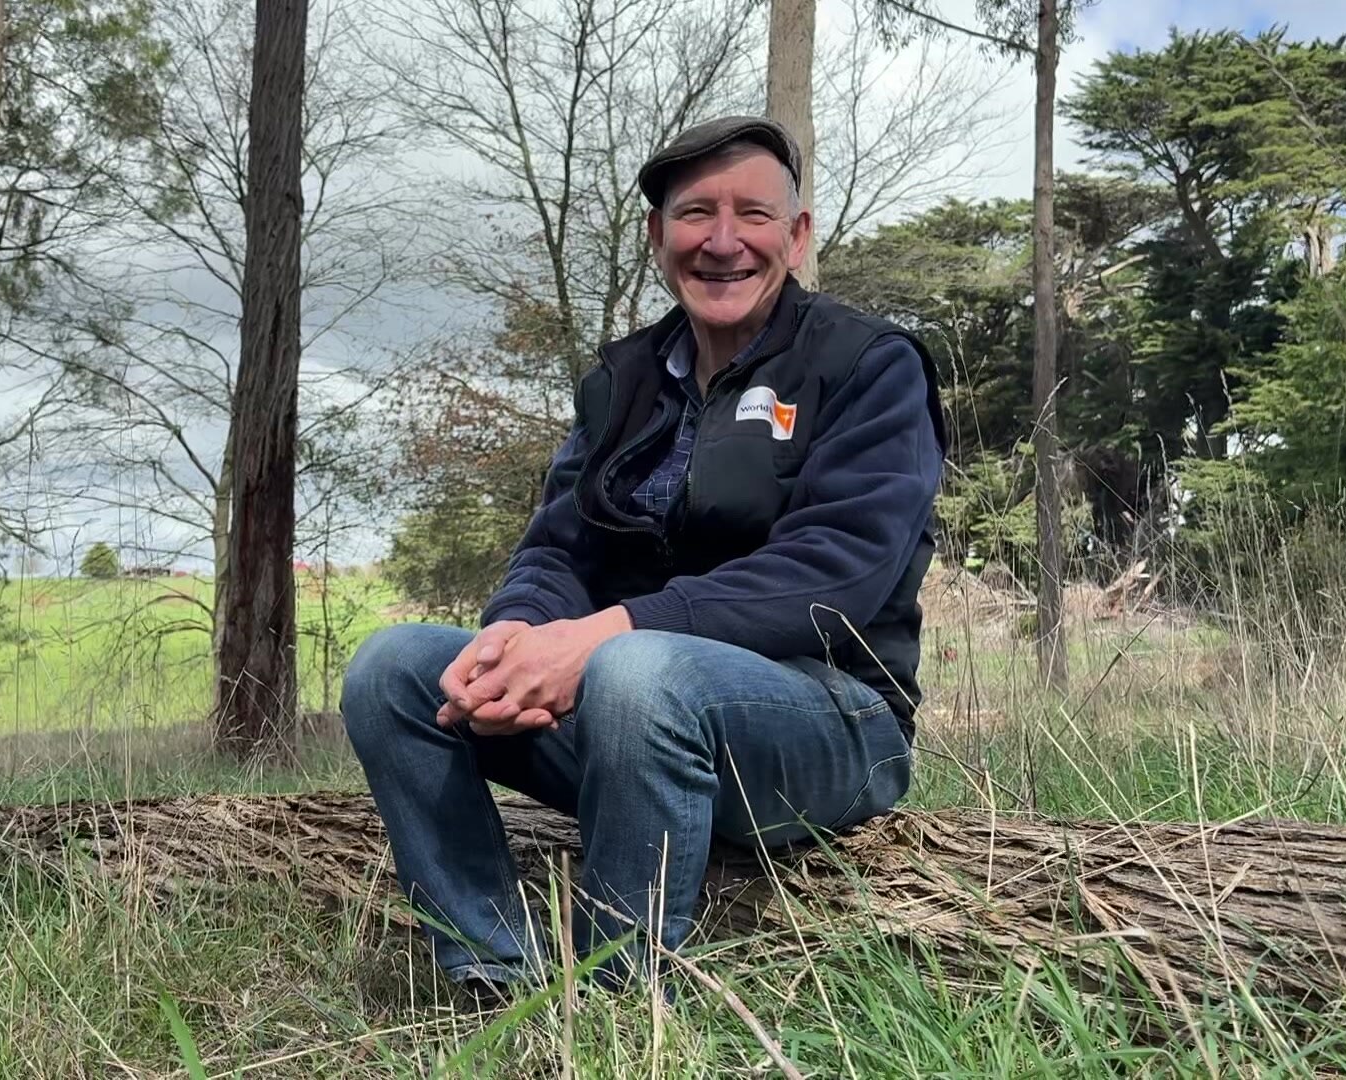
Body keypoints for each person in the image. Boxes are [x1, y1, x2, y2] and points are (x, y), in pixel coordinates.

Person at [342, 115, 946, 1000]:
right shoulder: (622, 382)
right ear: (659, 236)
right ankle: (493, 972)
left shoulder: (867, 366)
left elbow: (838, 569)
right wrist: (515, 635)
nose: (725, 241)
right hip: (630, 710)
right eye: (696, 213)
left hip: (831, 723)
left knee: (639, 670)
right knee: (392, 669)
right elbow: (557, 547)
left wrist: (605, 638)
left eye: (755, 214)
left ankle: (617, 1001)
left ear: (799, 234)